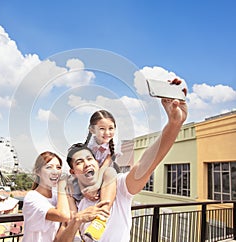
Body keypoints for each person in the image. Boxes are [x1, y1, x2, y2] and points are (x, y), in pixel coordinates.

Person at [58, 89, 188, 241]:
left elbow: (146, 162)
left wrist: (174, 124)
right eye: (79, 162)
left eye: (90, 158)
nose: (87, 164)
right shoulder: (77, 201)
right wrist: (78, 220)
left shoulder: (118, 187)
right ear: (73, 171)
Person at [68, 110, 120, 240]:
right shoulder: (89, 147)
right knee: (67, 187)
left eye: (111, 128)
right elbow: (81, 169)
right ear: (92, 129)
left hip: (102, 174)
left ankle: (100, 219)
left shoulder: (113, 145)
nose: (107, 133)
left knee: (110, 172)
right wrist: (84, 189)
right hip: (87, 177)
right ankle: (74, 229)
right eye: (102, 129)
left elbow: (104, 167)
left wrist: (96, 185)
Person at [22, 151, 70, 242]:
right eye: (49, 167)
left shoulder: (57, 197)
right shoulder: (32, 197)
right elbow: (63, 215)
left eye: (58, 167)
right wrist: (61, 187)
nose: (55, 171)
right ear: (38, 172)